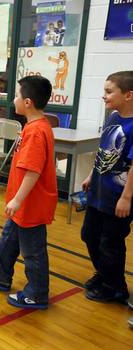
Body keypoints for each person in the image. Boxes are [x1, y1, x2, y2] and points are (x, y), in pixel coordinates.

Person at [0, 75, 57, 309]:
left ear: (28, 102)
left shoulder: (36, 131)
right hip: (22, 205)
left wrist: (17, 200)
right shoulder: (34, 126)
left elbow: (32, 171)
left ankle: (37, 293)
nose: (14, 99)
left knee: (33, 251)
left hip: (30, 204)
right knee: (8, 240)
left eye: (17, 95)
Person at [80, 71, 133, 304]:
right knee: (89, 234)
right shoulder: (112, 117)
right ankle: (104, 274)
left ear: (129, 95)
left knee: (110, 242)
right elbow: (104, 151)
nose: (104, 96)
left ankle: (115, 287)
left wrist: (127, 198)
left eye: (109, 91)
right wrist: (92, 175)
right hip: (99, 193)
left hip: (119, 196)